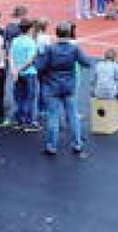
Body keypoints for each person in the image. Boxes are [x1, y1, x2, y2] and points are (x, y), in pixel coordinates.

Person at [36, 21, 95, 156]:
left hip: (52, 87)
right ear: (69, 33)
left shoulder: (50, 49)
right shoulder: (74, 49)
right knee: (73, 116)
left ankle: (52, 146)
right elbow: (87, 63)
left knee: (53, 117)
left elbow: (39, 67)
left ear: (56, 33)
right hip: (69, 87)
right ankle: (77, 144)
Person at [9, 18, 41, 132]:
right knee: (30, 98)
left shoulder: (15, 40)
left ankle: (19, 120)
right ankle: (29, 122)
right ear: (30, 29)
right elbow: (30, 60)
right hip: (29, 73)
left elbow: (11, 56)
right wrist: (19, 70)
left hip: (18, 73)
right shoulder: (31, 42)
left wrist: (14, 70)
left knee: (19, 97)